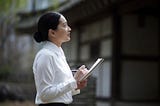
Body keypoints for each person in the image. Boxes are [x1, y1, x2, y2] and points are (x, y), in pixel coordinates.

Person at [32, 12, 88, 106]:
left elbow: (59, 93)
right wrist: (73, 82)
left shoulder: (59, 53)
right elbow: (44, 94)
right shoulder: (45, 55)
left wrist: (76, 85)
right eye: (64, 25)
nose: (69, 29)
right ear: (52, 32)